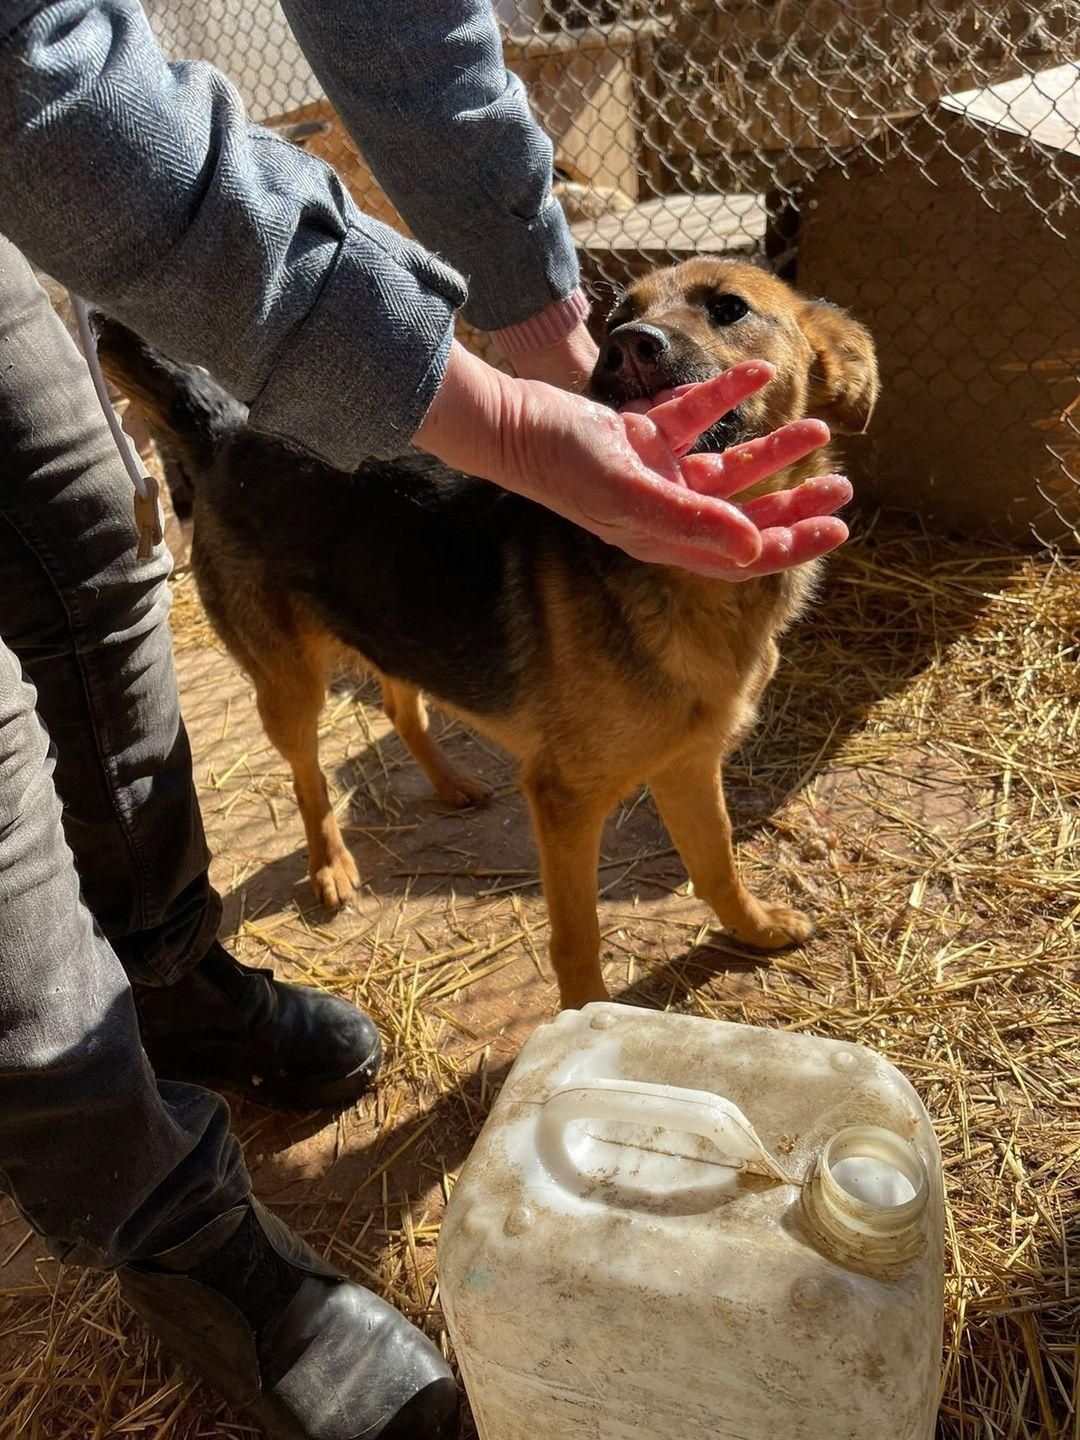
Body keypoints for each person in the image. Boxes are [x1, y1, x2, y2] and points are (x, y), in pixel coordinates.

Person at [0, 3, 851, 1438]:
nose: (662, 331)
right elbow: (47, 91)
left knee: (81, 550)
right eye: (654, 307)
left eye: (715, 309)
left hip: (75, 172)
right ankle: (166, 1221)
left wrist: (532, 321)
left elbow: (404, 29)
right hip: (265, 509)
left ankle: (169, 973)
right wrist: (583, 1003)